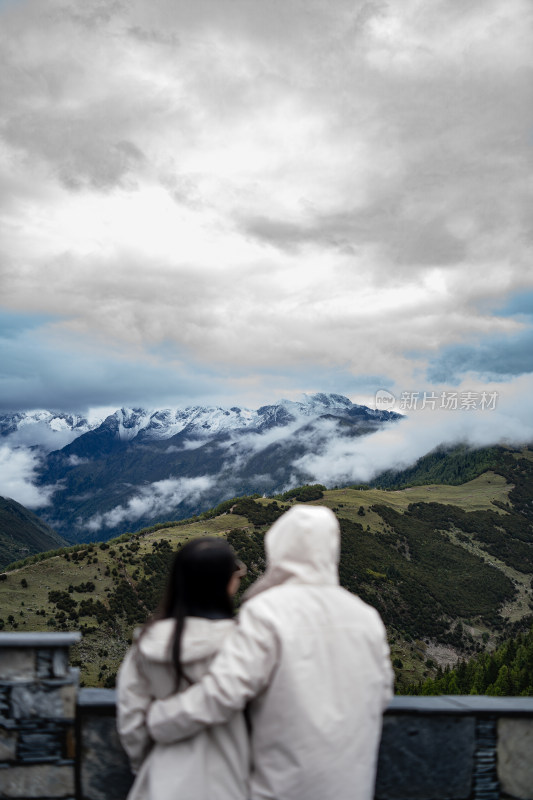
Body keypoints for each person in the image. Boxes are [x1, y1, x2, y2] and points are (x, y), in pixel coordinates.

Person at [147, 504, 394, 800]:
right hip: (352, 788)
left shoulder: (266, 611)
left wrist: (161, 719)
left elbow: (224, 692)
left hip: (282, 787)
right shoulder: (366, 616)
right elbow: (382, 693)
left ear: (278, 548)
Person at [116, 537, 250, 800]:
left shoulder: (146, 643)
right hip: (232, 781)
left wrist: (145, 766)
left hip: (161, 783)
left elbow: (131, 723)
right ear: (229, 583)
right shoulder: (245, 644)